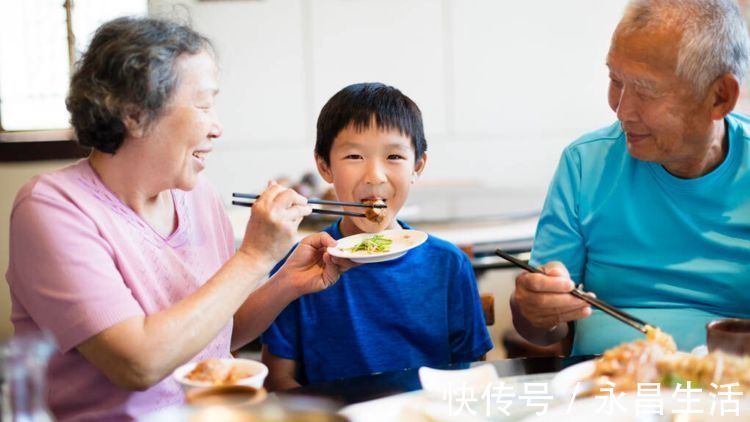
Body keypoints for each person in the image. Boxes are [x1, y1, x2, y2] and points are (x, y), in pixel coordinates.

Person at [5, 17, 355, 420]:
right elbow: (138, 363)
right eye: (203, 105)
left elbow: (212, 330)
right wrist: (255, 256)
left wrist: (286, 283)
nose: (218, 127)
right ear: (134, 114)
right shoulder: (51, 207)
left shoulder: (197, 196)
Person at [511, 0, 750, 356]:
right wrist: (535, 309)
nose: (621, 110)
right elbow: (543, 331)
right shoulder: (584, 163)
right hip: (602, 389)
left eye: (646, 91)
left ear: (720, 96)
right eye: (615, 80)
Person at [261, 83, 493, 390]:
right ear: (324, 166)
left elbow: (473, 373)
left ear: (418, 166)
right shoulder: (299, 268)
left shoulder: (448, 265)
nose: (375, 176)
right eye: (355, 156)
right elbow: (278, 380)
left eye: (394, 156)